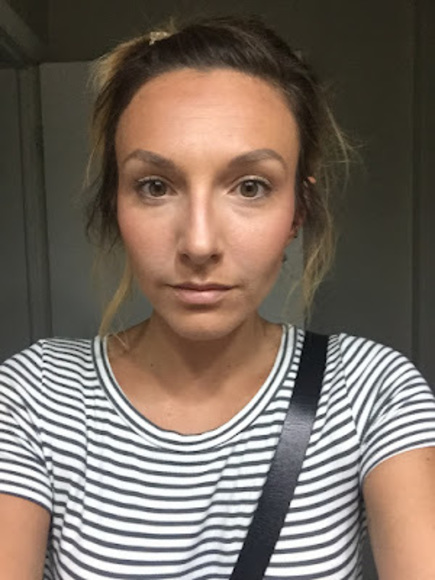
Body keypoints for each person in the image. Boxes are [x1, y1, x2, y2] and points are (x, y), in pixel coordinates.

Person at [0, 15, 434, 580]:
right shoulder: (34, 397)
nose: (199, 243)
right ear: (115, 204)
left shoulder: (372, 391)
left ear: (297, 211)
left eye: (250, 186)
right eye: (155, 186)